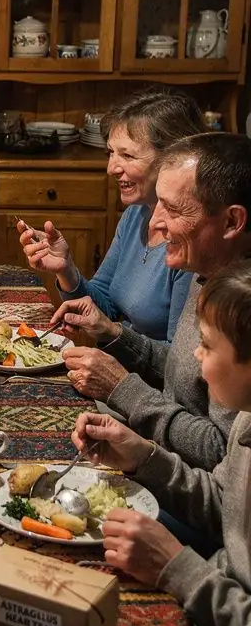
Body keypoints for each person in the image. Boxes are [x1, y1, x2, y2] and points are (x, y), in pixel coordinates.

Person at [71, 261, 251, 626]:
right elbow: (223, 505)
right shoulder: (246, 423)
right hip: (211, 612)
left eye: (209, 347)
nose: (193, 355)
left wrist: (179, 570)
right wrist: (143, 457)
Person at [59, 134, 251, 470]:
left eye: (174, 209)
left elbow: (220, 453)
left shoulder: (240, 306)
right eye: (158, 204)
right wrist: (113, 334)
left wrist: (123, 389)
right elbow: (187, 379)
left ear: (232, 221)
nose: (154, 223)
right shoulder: (205, 271)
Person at [20, 89, 204, 339]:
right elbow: (104, 305)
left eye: (127, 155)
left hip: (141, 377)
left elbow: (178, 367)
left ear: (172, 159)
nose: (111, 168)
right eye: (111, 153)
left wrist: (114, 333)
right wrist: (66, 269)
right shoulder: (135, 215)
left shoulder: (192, 239)